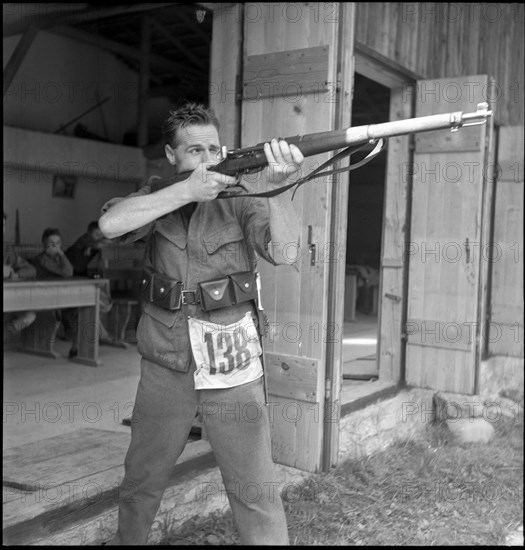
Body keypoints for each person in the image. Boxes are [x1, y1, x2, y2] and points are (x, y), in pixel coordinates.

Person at [98, 102, 304, 545]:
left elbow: (286, 254)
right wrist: (186, 191)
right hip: (166, 362)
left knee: (255, 489)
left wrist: (279, 189)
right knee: (141, 484)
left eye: (214, 148)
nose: (208, 158)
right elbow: (111, 225)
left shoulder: (243, 197)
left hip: (231, 363)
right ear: (172, 156)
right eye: (194, 150)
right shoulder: (156, 196)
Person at [65, 220, 115, 344]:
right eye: (96, 235)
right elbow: (104, 243)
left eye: (100, 235)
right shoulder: (83, 240)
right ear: (88, 233)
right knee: (95, 300)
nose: (98, 238)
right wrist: (94, 244)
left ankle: (100, 334)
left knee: (100, 301)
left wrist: (94, 245)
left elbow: (107, 242)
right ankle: (101, 335)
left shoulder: (92, 244)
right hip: (67, 276)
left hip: (79, 277)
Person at [30, 227, 78, 357]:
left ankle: (76, 346)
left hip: (58, 295)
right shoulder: (41, 259)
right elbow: (67, 273)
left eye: (58, 243)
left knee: (79, 308)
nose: (55, 247)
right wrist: (62, 255)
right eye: (52, 244)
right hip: (43, 295)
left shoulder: (58, 259)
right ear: (44, 244)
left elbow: (70, 271)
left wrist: (61, 255)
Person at [3, 212, 37, 335]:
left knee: (29, 316)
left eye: (4, 225)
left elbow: (31, 269)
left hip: (7, 298)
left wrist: (17, 274)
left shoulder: (7, 249)